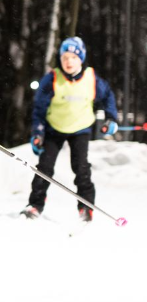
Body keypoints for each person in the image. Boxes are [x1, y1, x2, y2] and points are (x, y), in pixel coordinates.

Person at [22, 37, 118, 222]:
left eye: (73, 57)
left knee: (81, 168)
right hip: (54, 129)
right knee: (44, 168)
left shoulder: (92, 79)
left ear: (81, 58)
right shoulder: (52, 79)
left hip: (81, 129)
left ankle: (86, 208)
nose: (68, 62)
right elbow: (39, 109)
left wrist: (111, 118)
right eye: (65, 57)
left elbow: (108, 97)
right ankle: (35, 205)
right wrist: (38, 133)